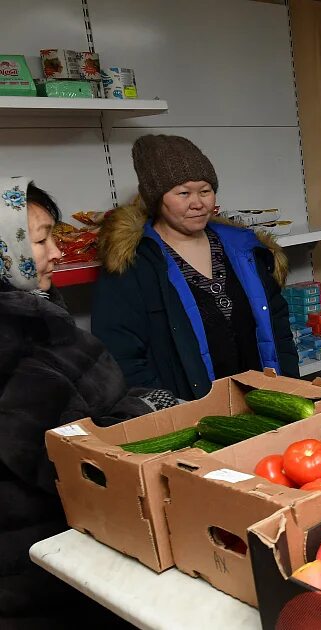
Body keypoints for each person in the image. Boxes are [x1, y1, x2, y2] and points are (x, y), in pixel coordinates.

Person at [0, 177, 174, 627]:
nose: (57, 253)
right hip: (43, 568)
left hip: (71, 544)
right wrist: (143, 410)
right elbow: (62, 455)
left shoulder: (35, 315)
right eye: (40, 240)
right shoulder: (11, 342)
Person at [93, 135, 298, 401]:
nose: (198, 203)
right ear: (157, 199)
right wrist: (167, 412)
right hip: (189, 416)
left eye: (205, 191)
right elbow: (122, 355)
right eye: (183, 193)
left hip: (263, 404)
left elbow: (278, 326)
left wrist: (292, 390)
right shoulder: (134, 263)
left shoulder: (243, 249)